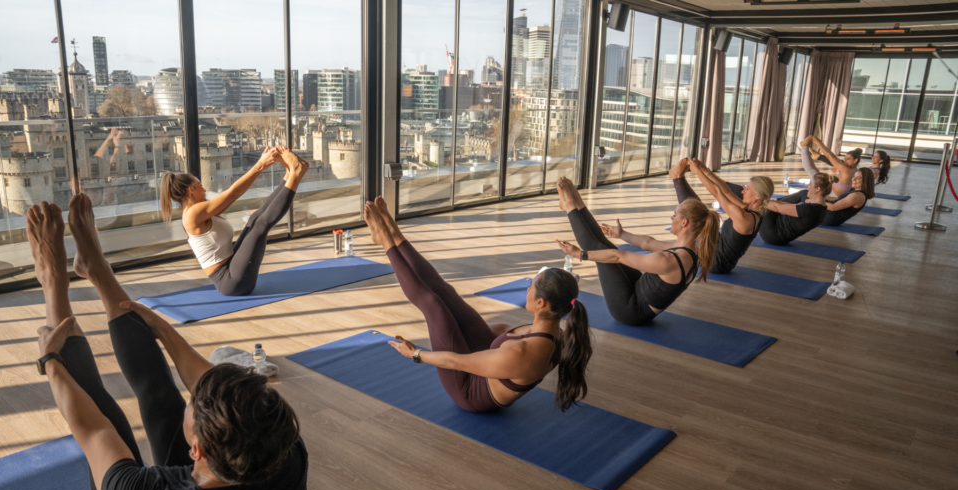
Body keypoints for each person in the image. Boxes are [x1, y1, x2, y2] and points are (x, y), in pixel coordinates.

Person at [28, 184, 307, 490]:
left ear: (197, 453)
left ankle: (55, 284)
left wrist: (50, 360)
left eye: (194, 403)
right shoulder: (285, 454)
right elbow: (214, 388)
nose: (191, 391)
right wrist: (163, 328)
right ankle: (99, 273)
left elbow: (92, 430)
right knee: (161, 399)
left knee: (115, 429)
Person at [364, 196, 592, 413]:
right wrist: (464, 324)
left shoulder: (525, 353)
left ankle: (385, 240)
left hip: (469, 392)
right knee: (446, 293)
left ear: (541, 303)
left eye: (530, 287)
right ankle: (394, 233)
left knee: (433, 304)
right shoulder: (553, 330)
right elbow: (502, 332)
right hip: (492, 359)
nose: (527, 290)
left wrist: (415, 353)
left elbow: (456, 361)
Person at [555, 176, 720, 327]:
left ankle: (570, 206)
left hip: (629, 311)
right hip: (638, 291)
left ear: (684, 223)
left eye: (674, 215)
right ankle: (576, 202)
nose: (672, 218)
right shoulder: (690, 250)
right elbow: (648, 243)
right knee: (608, 248)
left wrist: (579, 254)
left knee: (602, 252)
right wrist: (622, 234)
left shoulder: (669, 260)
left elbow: (619, 257)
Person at [161, 145, 309, 296]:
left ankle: (291, 174)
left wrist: (262, 165)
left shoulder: (197, 212)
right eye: (200, 186)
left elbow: (233, 196)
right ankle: (296, 173)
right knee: (260, 225)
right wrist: (260, 165)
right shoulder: (192, 213)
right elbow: (233, 192)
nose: (204, 189)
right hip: (232, 281)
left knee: (255, 218)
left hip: (232, 269)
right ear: (191, 190)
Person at [669, 158, 772, 274]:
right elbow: (726, 191)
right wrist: (705, 170)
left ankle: (676, 177)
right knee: (701, 212)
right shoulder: (754, 211)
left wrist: (697, 172)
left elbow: (717, 193)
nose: (743, 191)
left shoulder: (744, 218)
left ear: (757, 196)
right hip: (717, 250)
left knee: (695, 215)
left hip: (715, 262)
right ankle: (678, 177)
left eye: (747, 189)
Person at [758, 172, 833, 245]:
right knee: (767, 204)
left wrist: (758, 200)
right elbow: (785, 205)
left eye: (810, 183)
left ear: (818, 189)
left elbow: (777, 207)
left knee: (763, 207)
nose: (807, 185)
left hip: (773, 235)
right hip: (778, 229)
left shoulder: (811, 209)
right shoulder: (822, 207)